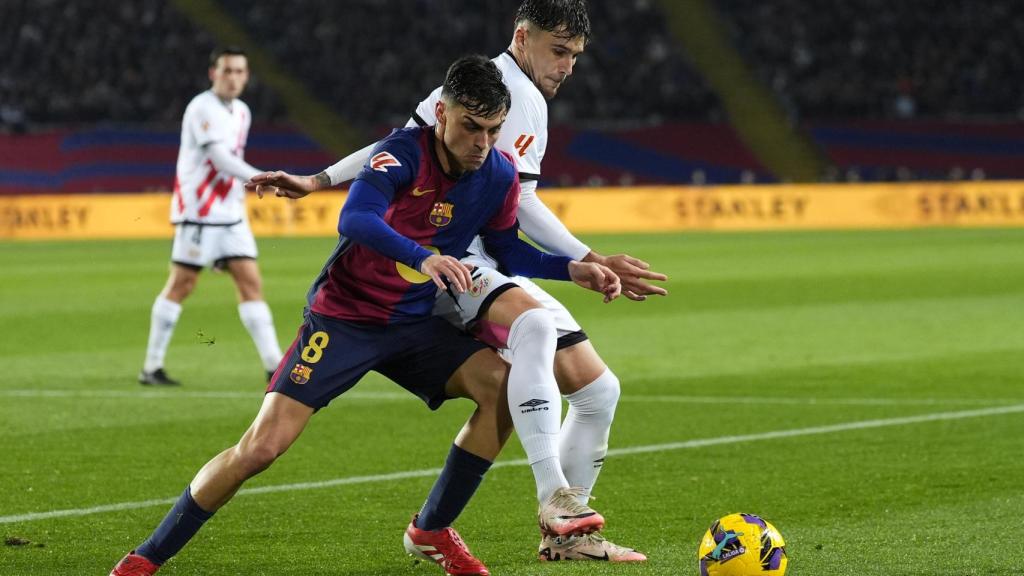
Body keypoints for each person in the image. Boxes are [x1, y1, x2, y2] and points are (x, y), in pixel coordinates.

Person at [110, 55, 620, 576]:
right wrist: (424, 256)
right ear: (440, 113)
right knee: (261, 448)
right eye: (470, 127)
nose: (481, 142)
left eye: (492, 130)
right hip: (344, 320)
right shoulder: (400, 154)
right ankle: (144, 559)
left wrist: (571, 268)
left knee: (505, 392)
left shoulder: (498, 173)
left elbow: (508, 250)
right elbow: (354, 218)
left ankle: (432, 530)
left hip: (413, 325)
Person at [252, 0, 664, 562]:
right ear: (523, 37)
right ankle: (555, 501)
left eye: (575, 55)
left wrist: (321, 177)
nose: (568, 65)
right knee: (535, 329)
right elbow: (513, 203)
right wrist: (585, 255)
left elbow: (392, 144)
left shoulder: (503, 90)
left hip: (482, 257)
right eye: (558, 50)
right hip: (463, 260)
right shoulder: (499, 90)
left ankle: (565, 532)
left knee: (597, 392)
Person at [138, 46, 283, 386]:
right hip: (199, 213)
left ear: (246, 77)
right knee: (181, 285)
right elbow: (219, 158)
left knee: (251, 284)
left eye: (239, 72)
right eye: (227, 71)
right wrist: (260, 177)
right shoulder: (201, 107)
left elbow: (229, 161)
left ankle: (274, 366)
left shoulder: (242, 112)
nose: (233, 78)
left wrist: (250, 181)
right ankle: (151, 367)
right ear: (213, 74)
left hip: (231, 214)